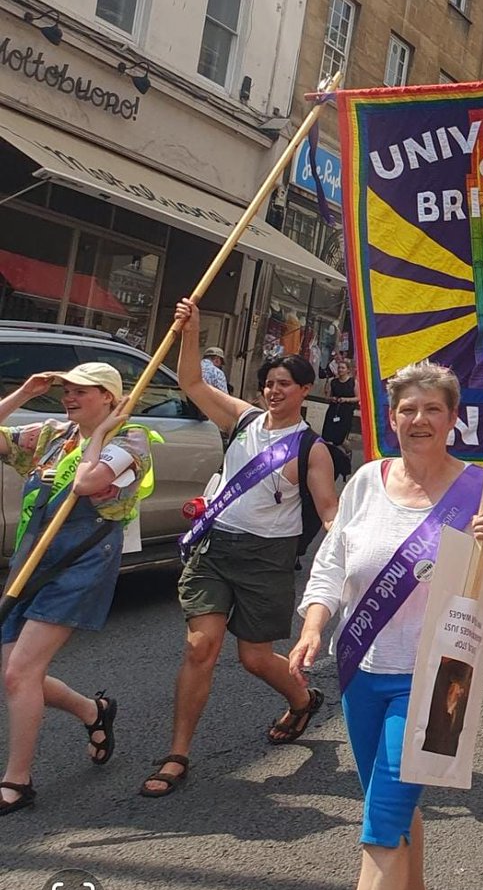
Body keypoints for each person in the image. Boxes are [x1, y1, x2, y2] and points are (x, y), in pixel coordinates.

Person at [290, 360, 483, 890]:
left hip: (438, 680)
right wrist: (314, 625)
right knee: (391, 802)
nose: (418, 419)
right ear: (392, 418)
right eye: (407, 410)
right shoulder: (365, 481)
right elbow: (332, 563)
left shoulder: (482, 491)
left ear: (453, 420)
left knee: (380, 823)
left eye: (432, 409)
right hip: (362, 670)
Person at [140, 299, 338, 797]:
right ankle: (177, 753)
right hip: (216, 548)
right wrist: (191, 330)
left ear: (305, 391)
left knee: (254, 658)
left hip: (267, 559)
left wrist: (355, 549)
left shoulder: (311, 449)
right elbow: (192, 384)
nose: (274, 391)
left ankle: (302, 700)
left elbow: (329, 510)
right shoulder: (245, 420)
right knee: (200, 646)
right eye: (269, 383)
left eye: (285, 385)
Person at [0, 363, 151, 815]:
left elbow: (86, 483)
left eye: (81, 391)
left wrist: (103, 432)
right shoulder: (53, 435)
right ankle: (93, 711)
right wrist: (25, 392)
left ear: (108, 397)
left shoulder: (132, 440)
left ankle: (17, 780)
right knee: (12, 671)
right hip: (32, 558)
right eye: (65, 389)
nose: (68, 397)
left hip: (80, 564)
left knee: (18, 674)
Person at [321, 357, 358, 448]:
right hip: (333, 411)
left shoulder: (353, 382)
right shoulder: (333, 382)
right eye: (339, 368)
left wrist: (346, 399)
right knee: (328, 436)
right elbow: (327, 397)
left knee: (340, 439)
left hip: (345, 412)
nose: (340, 370)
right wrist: (331, 398)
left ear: (348, 370)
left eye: (343, 368)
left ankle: (347, 452)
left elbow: (358, 398)